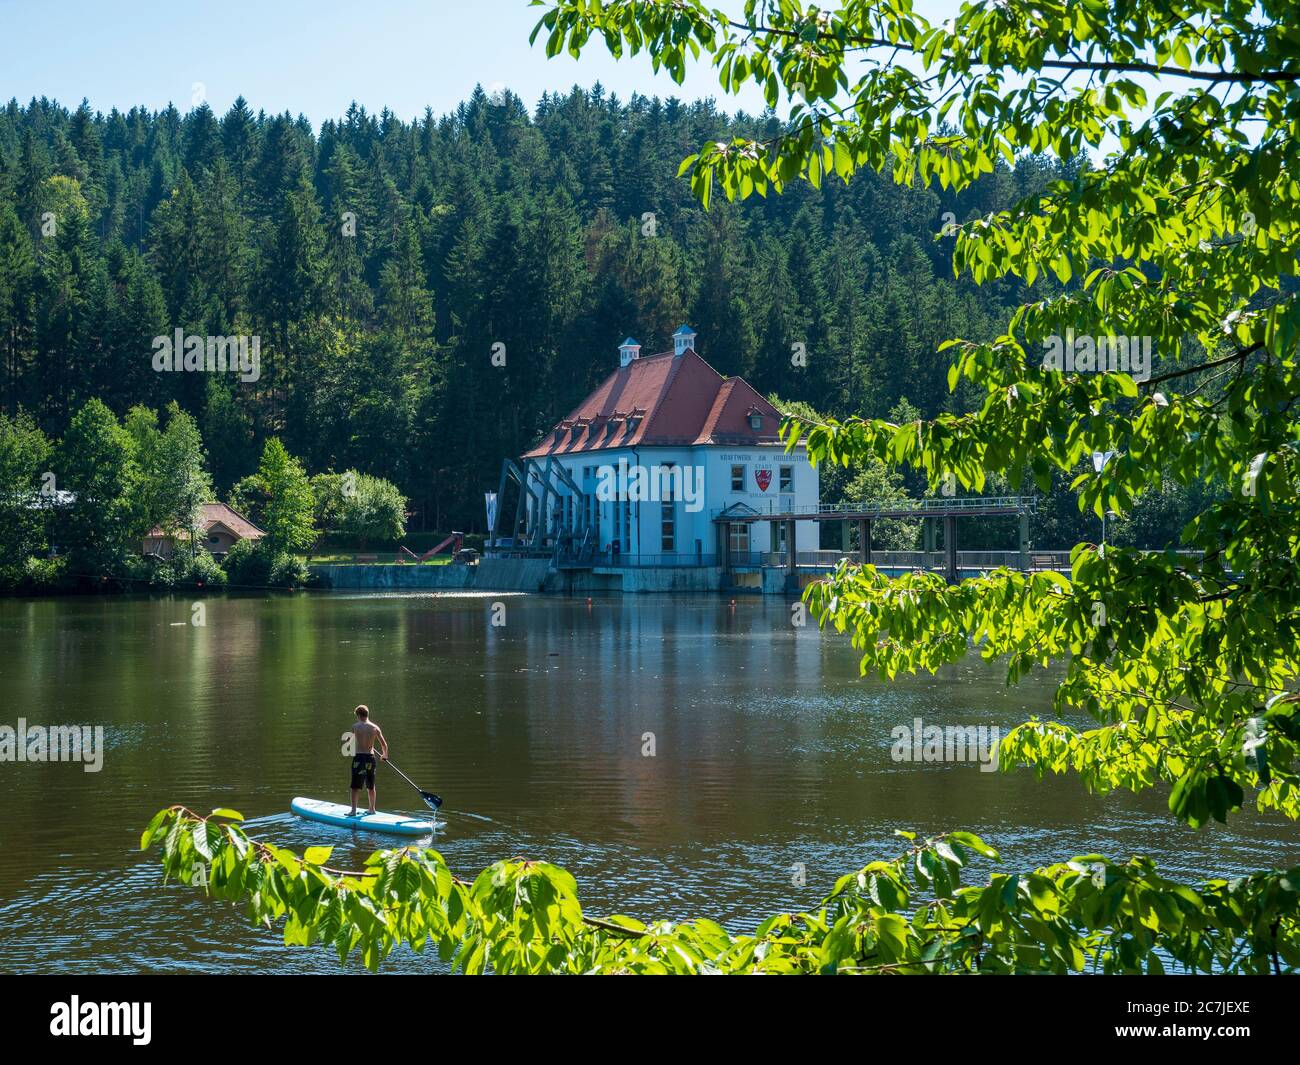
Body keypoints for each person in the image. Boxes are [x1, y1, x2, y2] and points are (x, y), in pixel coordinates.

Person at [348, 705, 389, 816]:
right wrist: (384, 756)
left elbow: (349, 743)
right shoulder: (375, 728)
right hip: (370, 759)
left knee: (355, 787)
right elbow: (384, 745)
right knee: (371, 786)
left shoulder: (355, 727)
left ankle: (353, 811)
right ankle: (372, 809)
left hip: (359, 758)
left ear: (358, 715)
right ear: (367, 714)